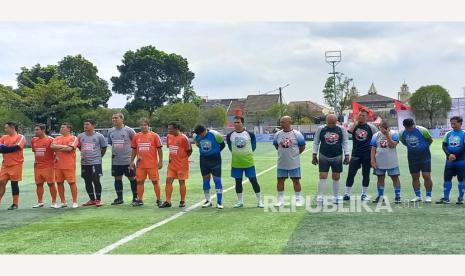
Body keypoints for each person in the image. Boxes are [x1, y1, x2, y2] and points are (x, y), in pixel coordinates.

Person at [226, 116, 264, 208]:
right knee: (238, 182)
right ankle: (240, 201)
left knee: (253, 181)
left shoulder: (250, 134)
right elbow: (230, 147)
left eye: (238, 122)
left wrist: (246, 154)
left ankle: (259, 201)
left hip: (248, 163)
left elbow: (253, 147)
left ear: (243, 123)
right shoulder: (230, 135)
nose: (236, 124)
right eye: (235, 122)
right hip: (236, 163)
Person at [312, 114, 349, 203]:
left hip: (337, 155)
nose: (332, 125)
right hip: (323, 155)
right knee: (322, 176)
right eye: (330, 123)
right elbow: (316, 142)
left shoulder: (341, 129)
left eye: (333, 123)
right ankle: (320, 196)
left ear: (336, 121)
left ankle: (335, 197)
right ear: (326, 121)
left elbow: (345, 142)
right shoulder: (321, 129)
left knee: (336, 177)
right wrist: (314, 154)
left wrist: (347, 155)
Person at [343, 109, 378, 201]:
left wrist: (374, 156)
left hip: (367, 154)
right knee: (351, 174)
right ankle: (346, 194)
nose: (361, 117)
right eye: (360, 115)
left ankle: (364, 194)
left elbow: (376, 140)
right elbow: (349, 131)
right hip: (355, 154)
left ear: (367, 117)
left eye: (363, 115)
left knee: (366, 174)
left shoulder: (371, 127)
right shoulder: (354, 126)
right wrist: (355, 122)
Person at [273, 116, 306, 207]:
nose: (281, 124)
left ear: (289, 122)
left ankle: (298, 200)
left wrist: (294, 155)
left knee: (296, 181)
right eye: (281, 122)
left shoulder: (297, 134)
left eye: (283, 122)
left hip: (294, 163)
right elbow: (276, 145)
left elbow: (302, 146)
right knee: (280, 181)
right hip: (281, 163)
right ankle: (280, 200)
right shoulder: (278, 134)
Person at [130, 118, 163, 207]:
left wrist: (160, 161)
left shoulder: (154, 136)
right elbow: (134, 150)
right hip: (140, 165)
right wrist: (131, 161)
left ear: (148, 126)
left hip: (152, 164)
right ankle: (140, 200)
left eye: (145, 125)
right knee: (140, 182)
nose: (143, 126)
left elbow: (159, 149)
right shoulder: (136, 136)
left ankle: (159, 200)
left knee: (155, 182)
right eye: (141, 125)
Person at [399, 118, 433, 203]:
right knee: (415, 177)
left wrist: (422, 148)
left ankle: (428, 196)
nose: (410, 128)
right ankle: (418, 196)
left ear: (414, 124)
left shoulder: (422, 130)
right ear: (405, 127)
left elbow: (430, 140)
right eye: (408, 127)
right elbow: (404, 142)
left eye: (411, 126)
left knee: (426, 176)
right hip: (412, 157)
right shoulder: (402, 133)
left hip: (425, 156)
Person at [159, 122, 192, 208]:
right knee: (168, 180)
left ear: (176, 129)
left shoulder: (184, 138)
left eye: (170, 129)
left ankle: (182, 201)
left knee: (181, 181)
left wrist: (183, 159)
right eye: (168, 128)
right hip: (172, 165)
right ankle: (168, 201)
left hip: (182, 165)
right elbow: (170, 148)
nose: (168, 130)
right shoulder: (169, 136)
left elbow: (189, 150)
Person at [108, 113, 138, 205]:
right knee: (117, 178)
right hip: (116, 160)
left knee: (132, 178)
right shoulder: (110, 131)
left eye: (116, 118)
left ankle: (135, 198)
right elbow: (111, 143)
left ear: (122, 119)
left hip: (128, 160)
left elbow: (136, 144)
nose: (114, 120)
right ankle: (119, 198)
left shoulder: (129, 130)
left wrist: (133, 160)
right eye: (113, 118)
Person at [193, 124, 226, 209]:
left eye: (201, 134)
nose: (200, 136)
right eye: (198, 135)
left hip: (215, 160)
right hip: (204, 161)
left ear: (205, 130)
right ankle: (208, 200)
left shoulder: (215, 134)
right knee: (205, 180)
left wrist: (215, 152)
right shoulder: (196, 136)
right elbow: (198, 145)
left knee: (217, 180)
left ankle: (219, 202)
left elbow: (222, 145)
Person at [370, 120, 402, 204]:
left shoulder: (394, 134)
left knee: (395, 178)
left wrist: (387, 134)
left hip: (392, 161)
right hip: (379, 162)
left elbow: (393, 145)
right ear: (379, 127)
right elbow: (373, 149)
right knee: (380, 178)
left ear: (389, 127)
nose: (383, 129)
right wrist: (372, 160)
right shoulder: (375, 135)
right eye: (381, 127)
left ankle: (398, 196)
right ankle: (380, 196)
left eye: (385, 127)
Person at [78, 119, 108, 207]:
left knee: (96, 180)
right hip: (85, 163)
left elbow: (104, 148)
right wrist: (84, 154)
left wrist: (99, 157)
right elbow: (80, 147)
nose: (85, 126)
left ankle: (98, 199)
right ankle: (92, 200)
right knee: (87, 181)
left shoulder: (99, 136)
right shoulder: (80, 136)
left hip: (95, 162)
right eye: (84, 124)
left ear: (93, 125)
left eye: (87, 124)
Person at [51, 123, 80, 208]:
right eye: (61, 127)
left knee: (71, 183)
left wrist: (58, 147)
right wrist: (64, 147)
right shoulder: (57, 138)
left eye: (63, 127)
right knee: (59, 183)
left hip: (69, 165)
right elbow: (52, 147)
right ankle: (63, 202)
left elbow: (70, 148)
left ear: (68, 129)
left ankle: (75, 201)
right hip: (58, 165)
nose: (61, 128)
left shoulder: (73, 138)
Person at [437, 116, 465, 204]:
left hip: (461, 161)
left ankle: (460, 199)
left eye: (454, 123)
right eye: (451, 123)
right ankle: (446, 198)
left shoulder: (464, 133)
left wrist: (455, 155)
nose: (452, 125)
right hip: (449, 161)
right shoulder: (448, 134)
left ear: (460, 123)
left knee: (461, 179)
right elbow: (444, 145)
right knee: (447, 178)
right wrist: (449, 155)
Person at [0, 122, 26, 210]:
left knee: (14, 183)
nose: (5, 129)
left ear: (12, 127)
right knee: (1, 183)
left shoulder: (21, 137)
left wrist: (5, 149)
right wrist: (6, 149)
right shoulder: (4, 137)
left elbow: (17, 148)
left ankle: (15, 203)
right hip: (5, 164)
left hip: (16, 164)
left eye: (6, 128)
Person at [31, 123, 58, 208]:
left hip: (48, 165)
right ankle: (40, 202)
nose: (35, 131)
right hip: (38, 166)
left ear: (43, 130)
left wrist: (55, 159)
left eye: (37, 130)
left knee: (51, 183)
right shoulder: (34, 140)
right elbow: (34, 151)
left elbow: (56, 151)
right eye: (35, 129)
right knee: (38, 184)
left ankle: (54, 202)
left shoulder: (50, 140)